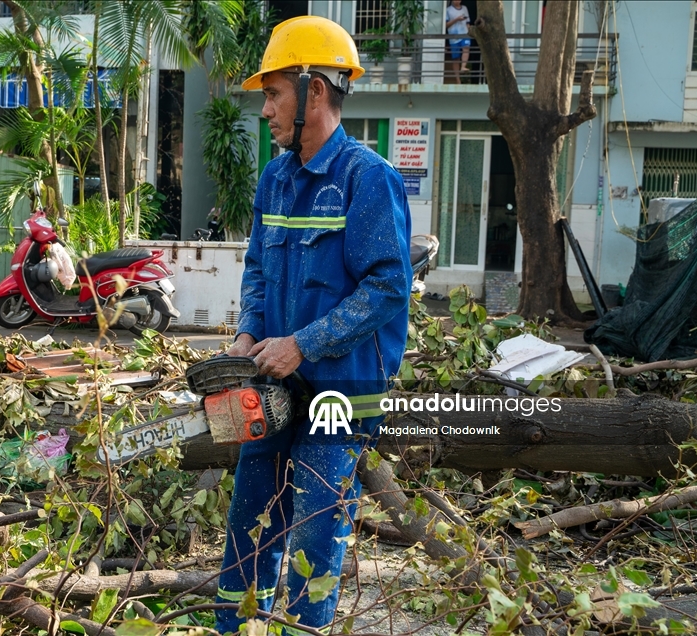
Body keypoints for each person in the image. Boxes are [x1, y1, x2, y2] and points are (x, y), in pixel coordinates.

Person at [214, 15, 412, 635]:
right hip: (272, 384)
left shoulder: (366, 178)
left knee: (313, 545)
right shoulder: (275, 179)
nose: (266, 108)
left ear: (315, 91)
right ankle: (232, 627)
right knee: (248, 527)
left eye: (273, 93)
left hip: (340, 394)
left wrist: (303, 344)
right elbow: (256, 268)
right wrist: (249, 332)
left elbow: (387, 288)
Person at [446, 0, 472, 77]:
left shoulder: (464, 8)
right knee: (456, 58)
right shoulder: (448, 10)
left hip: (464, 33)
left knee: (466, 48)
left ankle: (463, 66)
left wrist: (470, 32)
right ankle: (458, 80)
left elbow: (468, 22)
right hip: (453, 36)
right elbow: (446, 25)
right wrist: (456, 19)